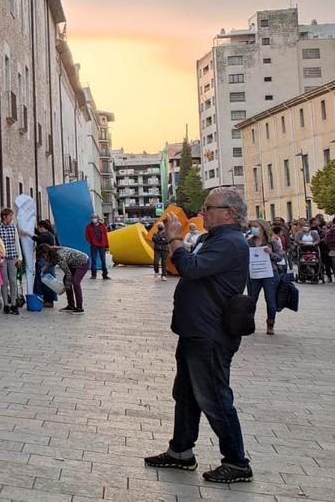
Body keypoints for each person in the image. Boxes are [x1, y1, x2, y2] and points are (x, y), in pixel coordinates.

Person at [144, 187, 253, 484]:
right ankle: (180, 451)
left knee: (214, 398)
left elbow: (191, 268)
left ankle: (237, 462)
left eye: (209, 207)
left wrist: (176, 238)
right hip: (195, 330)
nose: (204, 213)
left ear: (229, 213)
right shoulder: (212, 239)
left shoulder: (230, 242)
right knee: (186, 395)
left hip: (211, 333)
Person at [246, 220, 281, 335]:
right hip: (254, 274)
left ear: (263, 228)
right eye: (251, 227)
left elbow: (280, 258)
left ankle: (270, 324)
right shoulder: (248, 242)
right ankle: (249, 324)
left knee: (270, 300)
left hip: (270, 274)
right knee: (251, 300)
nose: (253, 229)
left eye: (255, 227)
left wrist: (271, 253)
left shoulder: (272, 242)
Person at [37, 244, 89, 314]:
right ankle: (71, 306)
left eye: (43, 256)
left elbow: (68, 273)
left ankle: (80, 308)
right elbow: (53, 261)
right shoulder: (54, 252)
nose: (44, 258)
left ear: (46, 252)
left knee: (75, 282)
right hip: (73, 263)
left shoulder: (60, 257)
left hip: (83, 262)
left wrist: (65, 288)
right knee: (66, 280)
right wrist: (46, 266)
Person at [0, 208, 21, 315]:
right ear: (4, 216)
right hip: (2, 258)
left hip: (12, 257)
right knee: (4, 282)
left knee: (13, 281)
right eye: (10, 216)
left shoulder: (13, 227)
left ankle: (14, 304)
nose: (12, 218)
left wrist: (20, 258)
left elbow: (17, 243)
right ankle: (6, 304)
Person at [85, 213, 110, 279]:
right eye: (92, 217)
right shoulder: (88, 226)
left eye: (95, 217)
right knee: (94, 260)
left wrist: (107, 246)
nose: (94, 219)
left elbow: (105, 236)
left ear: (98, 218)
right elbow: (87, 236)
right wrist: (91, 242)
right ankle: (93, 275)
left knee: (103, 260)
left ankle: (105, 275)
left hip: (102, 245)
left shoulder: (102, 226)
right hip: (94, 245)